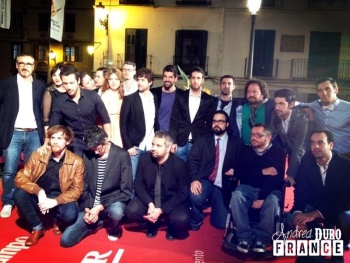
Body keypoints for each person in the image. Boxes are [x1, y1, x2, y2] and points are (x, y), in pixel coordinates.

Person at [61, 126, 132, 247]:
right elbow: (85, 185)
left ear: (105, 141)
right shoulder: (87, 154)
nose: (95, 152)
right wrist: (88, 209)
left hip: (112, 201)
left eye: (98, 148)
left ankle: (114, 226)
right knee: (66, 240)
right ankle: (98, 223)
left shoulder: (121, 155)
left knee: (117, 212)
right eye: (92, 149)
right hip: (91, 204)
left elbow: (126, 192)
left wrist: (99, 207)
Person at [13, 125, 84, 246]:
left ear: (68, 141)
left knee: (70, 215)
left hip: (60, 196)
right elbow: (21, 176)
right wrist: (38, 191)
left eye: (60, 138)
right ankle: (37, 227)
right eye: (53, 138)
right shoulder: (39, 155)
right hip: (40, 195)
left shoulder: (76, 161)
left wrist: (55, 201)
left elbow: (77, 190)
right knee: (19, 194)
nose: (55, 141)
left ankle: (57, 220)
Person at [291, 130, 350, 263]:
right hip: (314, 205)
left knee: (347, 217)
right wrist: (298, 216)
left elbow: (347, 200)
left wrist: (317, 213)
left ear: (331, 145)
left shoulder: (345, 166)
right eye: (312, 143)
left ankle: (338, 254)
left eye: (320, 143)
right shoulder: (306, 163)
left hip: (337, 208)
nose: (315, 147)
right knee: (304, 259)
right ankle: (315, 251)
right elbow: (300, 192)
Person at [0, 53, 46, 218]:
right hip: (13, 133)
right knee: (9, 171)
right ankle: (8, 202)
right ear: (17, 65)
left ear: (33, 67)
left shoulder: (41, 86)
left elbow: (43, 110)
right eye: (22, 63)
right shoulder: (6, 84)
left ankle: (27, 201)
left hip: (34, 133)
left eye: (29, 64)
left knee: (32, 171)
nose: (25, 66)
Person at [125, 131, 190, 240]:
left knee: (182, 219)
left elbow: (183, 192)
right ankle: (152, 223)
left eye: (158, 145)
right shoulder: (145, 159)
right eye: (153, 144)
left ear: (168, 148)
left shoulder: (180, 165)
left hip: (170, 200)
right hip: (150, 198)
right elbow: (138, 184)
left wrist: (162, 209)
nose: (153, 148)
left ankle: (171, 227)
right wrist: (150, 204)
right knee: (131, 211)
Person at [230, 123, 285, 253]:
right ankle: (245, 237)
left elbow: (276, 180)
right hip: (248, 188)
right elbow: (238, 173)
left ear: (268, 137)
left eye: (258, 135)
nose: (254, 138)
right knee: (236, 195)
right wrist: (261, 171)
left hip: (270, 190)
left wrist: (262, 198)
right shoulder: (245, 150)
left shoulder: (277, 152)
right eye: (252, 135)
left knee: (272, 201)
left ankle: (262, 238)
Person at [188, 110, 241, 231]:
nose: (217, 124)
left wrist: (235, 170)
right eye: (214, 121)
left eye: (220, 121)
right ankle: (196, 220)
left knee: (221, 224)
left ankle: (215, 202)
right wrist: (194, 179)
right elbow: (192, 160)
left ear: (227, 124)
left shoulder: (236, 142)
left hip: (224, 183)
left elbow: (242, 162)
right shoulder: (202, 139)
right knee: (195, 196)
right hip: (206, 180)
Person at [47, 64, 111, 156]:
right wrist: (47, 143)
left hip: (94, 138)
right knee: (78, 167)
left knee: (94, 168)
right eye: (65, 83)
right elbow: (54, 126)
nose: (68, 87)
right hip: (74, 141)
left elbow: (105, 119)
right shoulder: (59, 101)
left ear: (78, 80)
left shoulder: (93, 96)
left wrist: (107, 140)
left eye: (72, 83)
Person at [169, 66, 216, 162]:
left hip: (198, 142)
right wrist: (173, 141)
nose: (195, 80)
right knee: (178, 172)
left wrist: (204, 143)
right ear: (190, 79)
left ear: (202, 80)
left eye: (198, 78)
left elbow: (209, 123)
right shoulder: (180, 96)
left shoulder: (209, 99)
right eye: (193, 78)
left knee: (194, 172)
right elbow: (174, 119)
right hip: (180, 142)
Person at [120, 67, 159, 181]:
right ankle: (128, 199)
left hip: (150, 146)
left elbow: (155, 122)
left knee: (147, 178)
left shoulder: (155, 98)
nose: (139, 83)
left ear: (150, 82)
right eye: (139, 80)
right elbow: (123, 124)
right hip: (135, 146)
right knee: (131, 178)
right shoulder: (129, 99)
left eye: (143, 80)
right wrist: (129, 146)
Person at [300, 77, 350, 158]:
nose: (324, 93)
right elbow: (297, 103)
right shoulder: (315, 105)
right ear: (317, 93)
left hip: (345, 156)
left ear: (336, 89)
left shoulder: (348, 109)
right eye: (320, 90)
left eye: (327, 89)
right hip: (322, 156)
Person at [270, 89, 309, 186]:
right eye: (275, 104)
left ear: (291, 104)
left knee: (302, 189)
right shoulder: (276, 114)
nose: (277, 107)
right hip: (290, 154)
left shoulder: (301, 119)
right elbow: (270, 135)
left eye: (281, 104)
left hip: (307, 158)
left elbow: (299, 148)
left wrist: (291, 174)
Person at [236, 78, 275, 145]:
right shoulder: (241, 107)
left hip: (264, 150)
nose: (251, 94)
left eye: (254, 92)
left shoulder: (271, 107)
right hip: (243, 149)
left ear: (262, 94)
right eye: (248, 92)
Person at [151, 65, 184, 132]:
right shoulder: (154, 93)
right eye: (165, 76)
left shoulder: (182, 95)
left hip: (173, 135)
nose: (167, 80)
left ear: (176, 78)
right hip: (155, 133)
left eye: (170, 77)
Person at [100, 68, 124, 147]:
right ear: (107, 81)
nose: (113, 82)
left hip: (121, 126)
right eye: (111, 79)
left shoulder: (123, 94)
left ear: (120, 80)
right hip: (109, 126)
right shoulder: (105, 95)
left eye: (116, 79)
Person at [43, 62, 66, 133]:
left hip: (70, 126)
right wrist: (47, 134)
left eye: (59, 75)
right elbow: (46, 117)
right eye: (54, 75)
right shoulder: (49, 92)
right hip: (55, 128)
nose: (57, 78)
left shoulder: (70, 90)